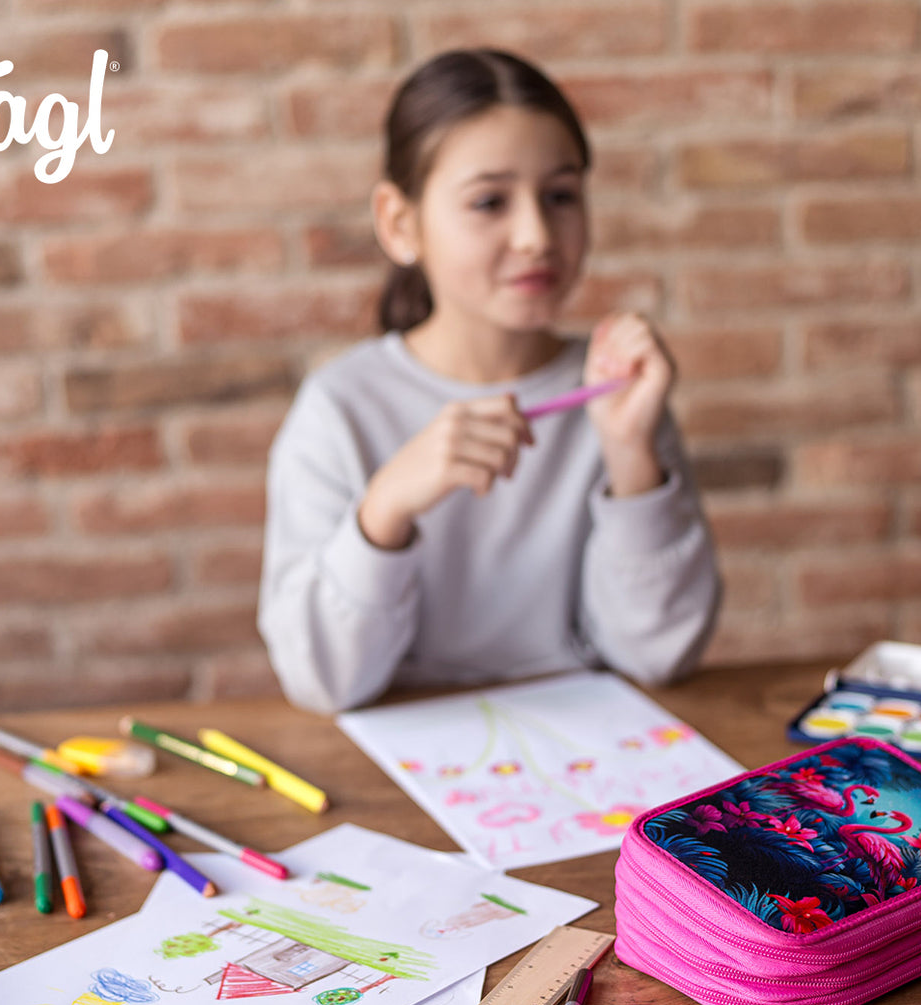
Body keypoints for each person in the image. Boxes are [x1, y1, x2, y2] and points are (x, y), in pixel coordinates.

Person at [259, 48, 721, 714]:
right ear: (399, 223)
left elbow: (657, 654)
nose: (535, 234)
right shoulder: (340, 407)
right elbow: (321, 682)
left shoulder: (614, 395)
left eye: (560, 196)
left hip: (591, 755)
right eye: (488, 201)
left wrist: (630, 457)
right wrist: (384, 506)